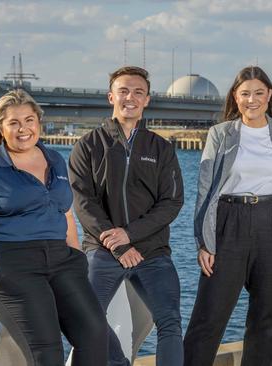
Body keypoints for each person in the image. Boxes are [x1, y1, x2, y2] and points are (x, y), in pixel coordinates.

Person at [0, 89, 108, 366]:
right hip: (13, 263)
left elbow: (65, 213)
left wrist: (75, 257)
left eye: (29, 120)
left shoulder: (55, 160)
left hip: (62, 261)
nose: (23, 129)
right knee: (46, 352)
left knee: (95, 336)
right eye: (14, 122)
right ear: (1, 128)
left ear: (38, 123)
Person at [184, 66, 272, 366]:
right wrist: (204, 242)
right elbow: (204, 190)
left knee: (267, 320)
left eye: (259, 93)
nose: (253, 100)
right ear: (235, 98)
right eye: (245, 93)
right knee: (208, 317)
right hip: (229, 223)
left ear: (269, 95)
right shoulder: (220, 134)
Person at [69, 66, 185, 366]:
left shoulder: (160, 148)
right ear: (111, 97)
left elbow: (171, 202)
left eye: (138, 92)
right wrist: (117, 243)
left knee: (170, 322)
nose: (130, 98)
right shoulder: (88, 146)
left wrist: (130, 235)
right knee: (87, 318)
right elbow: (83, 202)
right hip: (104, 250)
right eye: (123, 91)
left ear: (147, 100)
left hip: (152, 251)